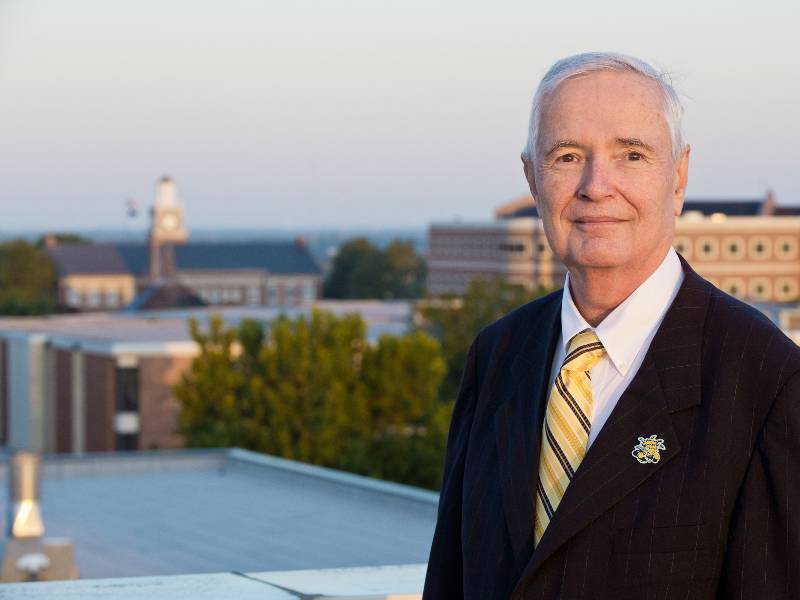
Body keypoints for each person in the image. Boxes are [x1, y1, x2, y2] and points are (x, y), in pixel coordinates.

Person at [422, 52, 800, 599]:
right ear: (532, 177)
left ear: (679, 176)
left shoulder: (766, 380)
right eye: (568, 155)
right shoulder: (498, 355)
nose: (596, 186)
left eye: (632, 155)